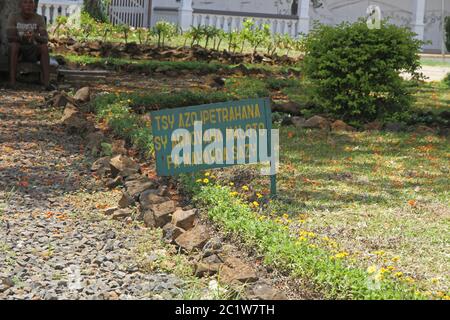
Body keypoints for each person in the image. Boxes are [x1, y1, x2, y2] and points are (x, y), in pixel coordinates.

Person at [7, 0, 51, 89]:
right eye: (25, 2)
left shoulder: (39, 18)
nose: (28, 5)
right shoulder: (14, 17)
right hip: (20, 50)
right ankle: (12, 83)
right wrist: (22, 37)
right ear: (20, 5)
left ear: (34, 5)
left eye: (31, 2)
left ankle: (46, 83)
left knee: (44, 47)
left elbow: (45, 39)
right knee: (14, 46)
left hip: (33, 49)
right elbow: (10, 37)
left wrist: (35, 36)